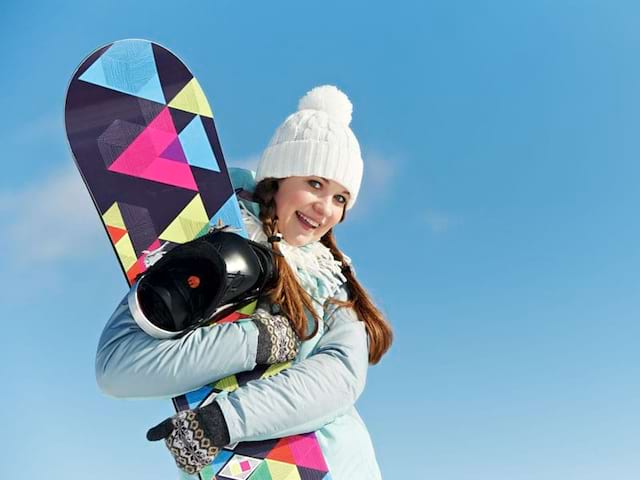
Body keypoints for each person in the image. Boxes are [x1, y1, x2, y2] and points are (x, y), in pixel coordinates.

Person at [95, 85, 393, 479]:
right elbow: (119, 366)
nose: (325, 208)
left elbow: (338, 380)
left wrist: (224, 420)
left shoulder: (330, 282)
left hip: (338, 466)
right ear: (279, 178)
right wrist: (256, 341)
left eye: (341, 198)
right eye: (315, 184)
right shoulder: (206, 247)